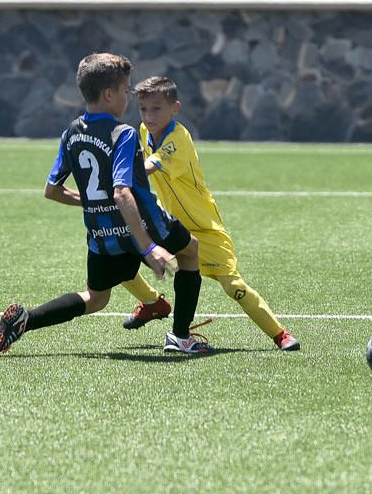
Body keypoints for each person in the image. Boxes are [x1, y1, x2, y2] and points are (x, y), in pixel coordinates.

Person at [0, 53, 211, 356]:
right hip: (144, 224)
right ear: (108, 94)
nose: (128, 96)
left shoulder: (71, 133)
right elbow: (122, 194)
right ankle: (181, 337)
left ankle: (27, 320)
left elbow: (52, 190)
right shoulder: (123, 133)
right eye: (126, 90)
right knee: (190, 250)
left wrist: (92, 204)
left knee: (96, 298)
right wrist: (148, 248)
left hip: (102, 236)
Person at [117, 76, 300, 351]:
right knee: (116, 258)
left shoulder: (178, 139)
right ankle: (154, 303)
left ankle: (279, 334)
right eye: (143, 109)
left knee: (233, 287)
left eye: (156, 108)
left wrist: (114, 177)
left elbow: (147, 167)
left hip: (205, 228)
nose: (148, 115)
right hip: (169, 224)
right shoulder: (144, 130)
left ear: (175, 108)